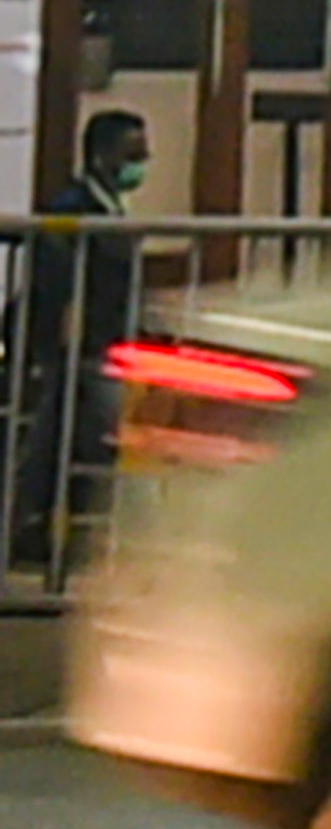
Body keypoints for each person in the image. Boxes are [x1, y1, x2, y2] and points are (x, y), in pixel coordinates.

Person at [9, 104, 152, 574]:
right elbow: (58, 282)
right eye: (134, 152)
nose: (143, 161)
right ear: (102, 155)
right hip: (84, 348)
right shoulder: (74, 213)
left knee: (56, 439)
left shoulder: (103, 209)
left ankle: (36, 528)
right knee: (81, 437)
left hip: (96, 348)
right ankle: (46, 532)